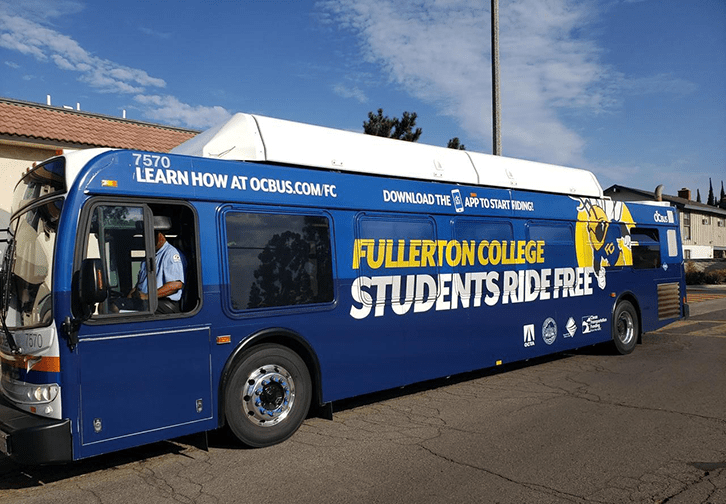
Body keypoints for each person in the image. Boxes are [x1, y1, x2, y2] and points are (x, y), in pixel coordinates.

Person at [118, 216, 186, 314]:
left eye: (148, 235)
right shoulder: (148, 257)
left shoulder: (170, 254)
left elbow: (175, 285)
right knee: (115, 305)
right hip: (147, 300)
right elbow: (140, 284)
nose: (145, 239)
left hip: (163, 303)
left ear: (159, 235)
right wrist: (130, 296)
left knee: (118, 310)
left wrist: (148, 296)